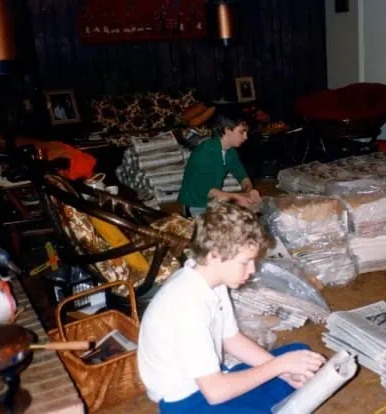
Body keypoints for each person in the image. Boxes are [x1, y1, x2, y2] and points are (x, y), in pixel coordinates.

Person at [137, 200, 326, 413]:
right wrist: (278, 366)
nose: (252, 270)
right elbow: (215, 393)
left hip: (213, 380)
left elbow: (231, 339)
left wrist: (284, 371)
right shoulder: (187, 306)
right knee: (287, 368)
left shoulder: (210, 280)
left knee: (301, 356)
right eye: (245, 262)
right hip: (185, 401)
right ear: (214, 256)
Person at [178, 115, 261, 217]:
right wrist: (236, 198)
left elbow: (243, 178)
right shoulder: (205, 151)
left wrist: (250, 192)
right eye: (241, 132)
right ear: (227, 130)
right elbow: (208, 191)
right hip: (196, 205)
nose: (246, 136)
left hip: (213, 203)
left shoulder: (230, 151)